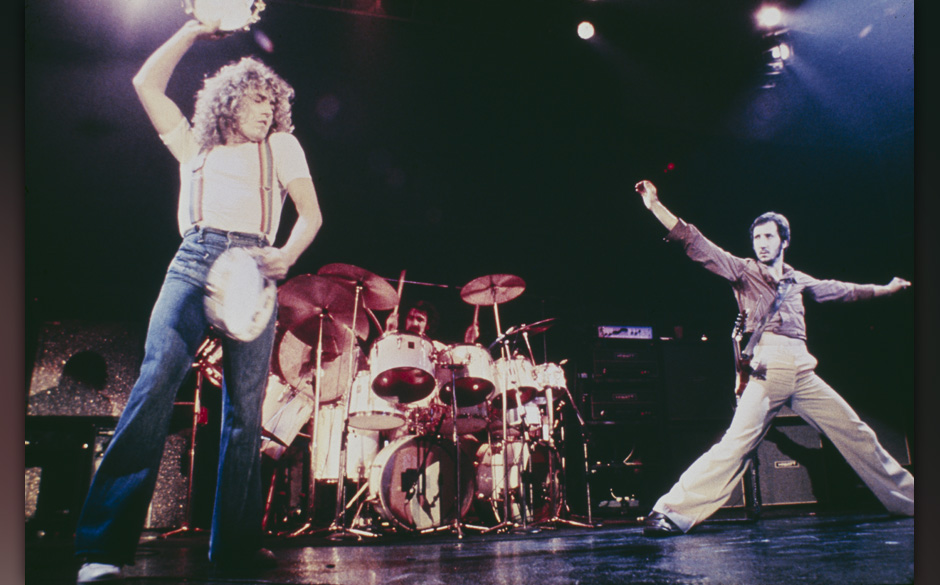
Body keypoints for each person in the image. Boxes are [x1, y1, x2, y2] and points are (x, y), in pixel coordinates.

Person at [74, 20, 322, 582]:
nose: (268, 110)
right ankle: (102, 548)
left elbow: (311, 214)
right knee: (156, 382)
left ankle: (234, 546)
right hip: (193, 262)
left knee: (244, 415)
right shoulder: (194, 142)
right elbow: (144, 83)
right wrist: (193, 29)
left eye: (273, 102)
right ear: (231, 100)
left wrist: (286, 254)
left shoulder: (281, 146)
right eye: (258, 99)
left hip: (256, 269)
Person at [633, 179, 914, 536]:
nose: (762, 244)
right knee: (737, 444)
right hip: (769, 366)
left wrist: (885, 290)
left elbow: (841, 291)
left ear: (784, 240)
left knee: (857, 432)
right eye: (757, 238)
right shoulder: (744, 271)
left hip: (803, 369)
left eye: (768, 237)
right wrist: (656, 206)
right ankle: (671, 511)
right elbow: (695, 242)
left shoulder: (797, 279)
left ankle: (911, 500)